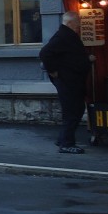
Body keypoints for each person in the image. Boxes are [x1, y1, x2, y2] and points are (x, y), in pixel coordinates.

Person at [39, 10, 91, 154]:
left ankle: (63, 139)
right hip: (68, 81)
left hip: (71, 80)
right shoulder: (63, 36)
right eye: (77, 23)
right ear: (70, 23)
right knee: (73, 111)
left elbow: (71, 56)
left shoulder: (66, 35)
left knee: (74, 110)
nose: (79, 26)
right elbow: (45, 53)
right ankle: (67, 143)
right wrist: (53, 71)